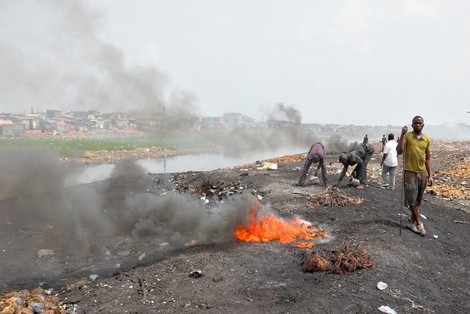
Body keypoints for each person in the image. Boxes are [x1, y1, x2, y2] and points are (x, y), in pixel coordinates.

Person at [397, 115, 433, 237]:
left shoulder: (427, 139)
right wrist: (402, 135)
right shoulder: (407, 136)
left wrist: (430, 175)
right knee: (411, 200)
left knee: (417, 201)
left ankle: (411, 223)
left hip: (422, 173)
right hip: (410, 172)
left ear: (423, 125)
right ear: (412, 125)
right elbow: (399, 151)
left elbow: (428, 158)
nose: (417, 125)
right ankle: (419, 223)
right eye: (415, 123)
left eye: (419, 123)